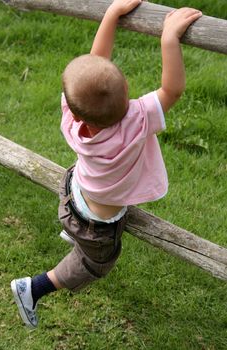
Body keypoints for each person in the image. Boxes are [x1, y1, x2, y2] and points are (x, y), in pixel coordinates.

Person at [11, 0, 202, 329]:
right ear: (127, 88)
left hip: (73, 190)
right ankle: (34, 287)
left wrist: (111, 13)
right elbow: (173, 88)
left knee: (84, 212)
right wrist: (169, 39)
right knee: (95, 265)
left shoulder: (72, 116)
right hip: (97, 225)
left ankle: (72, 232)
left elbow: (94, 65)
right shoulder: (137, 120)